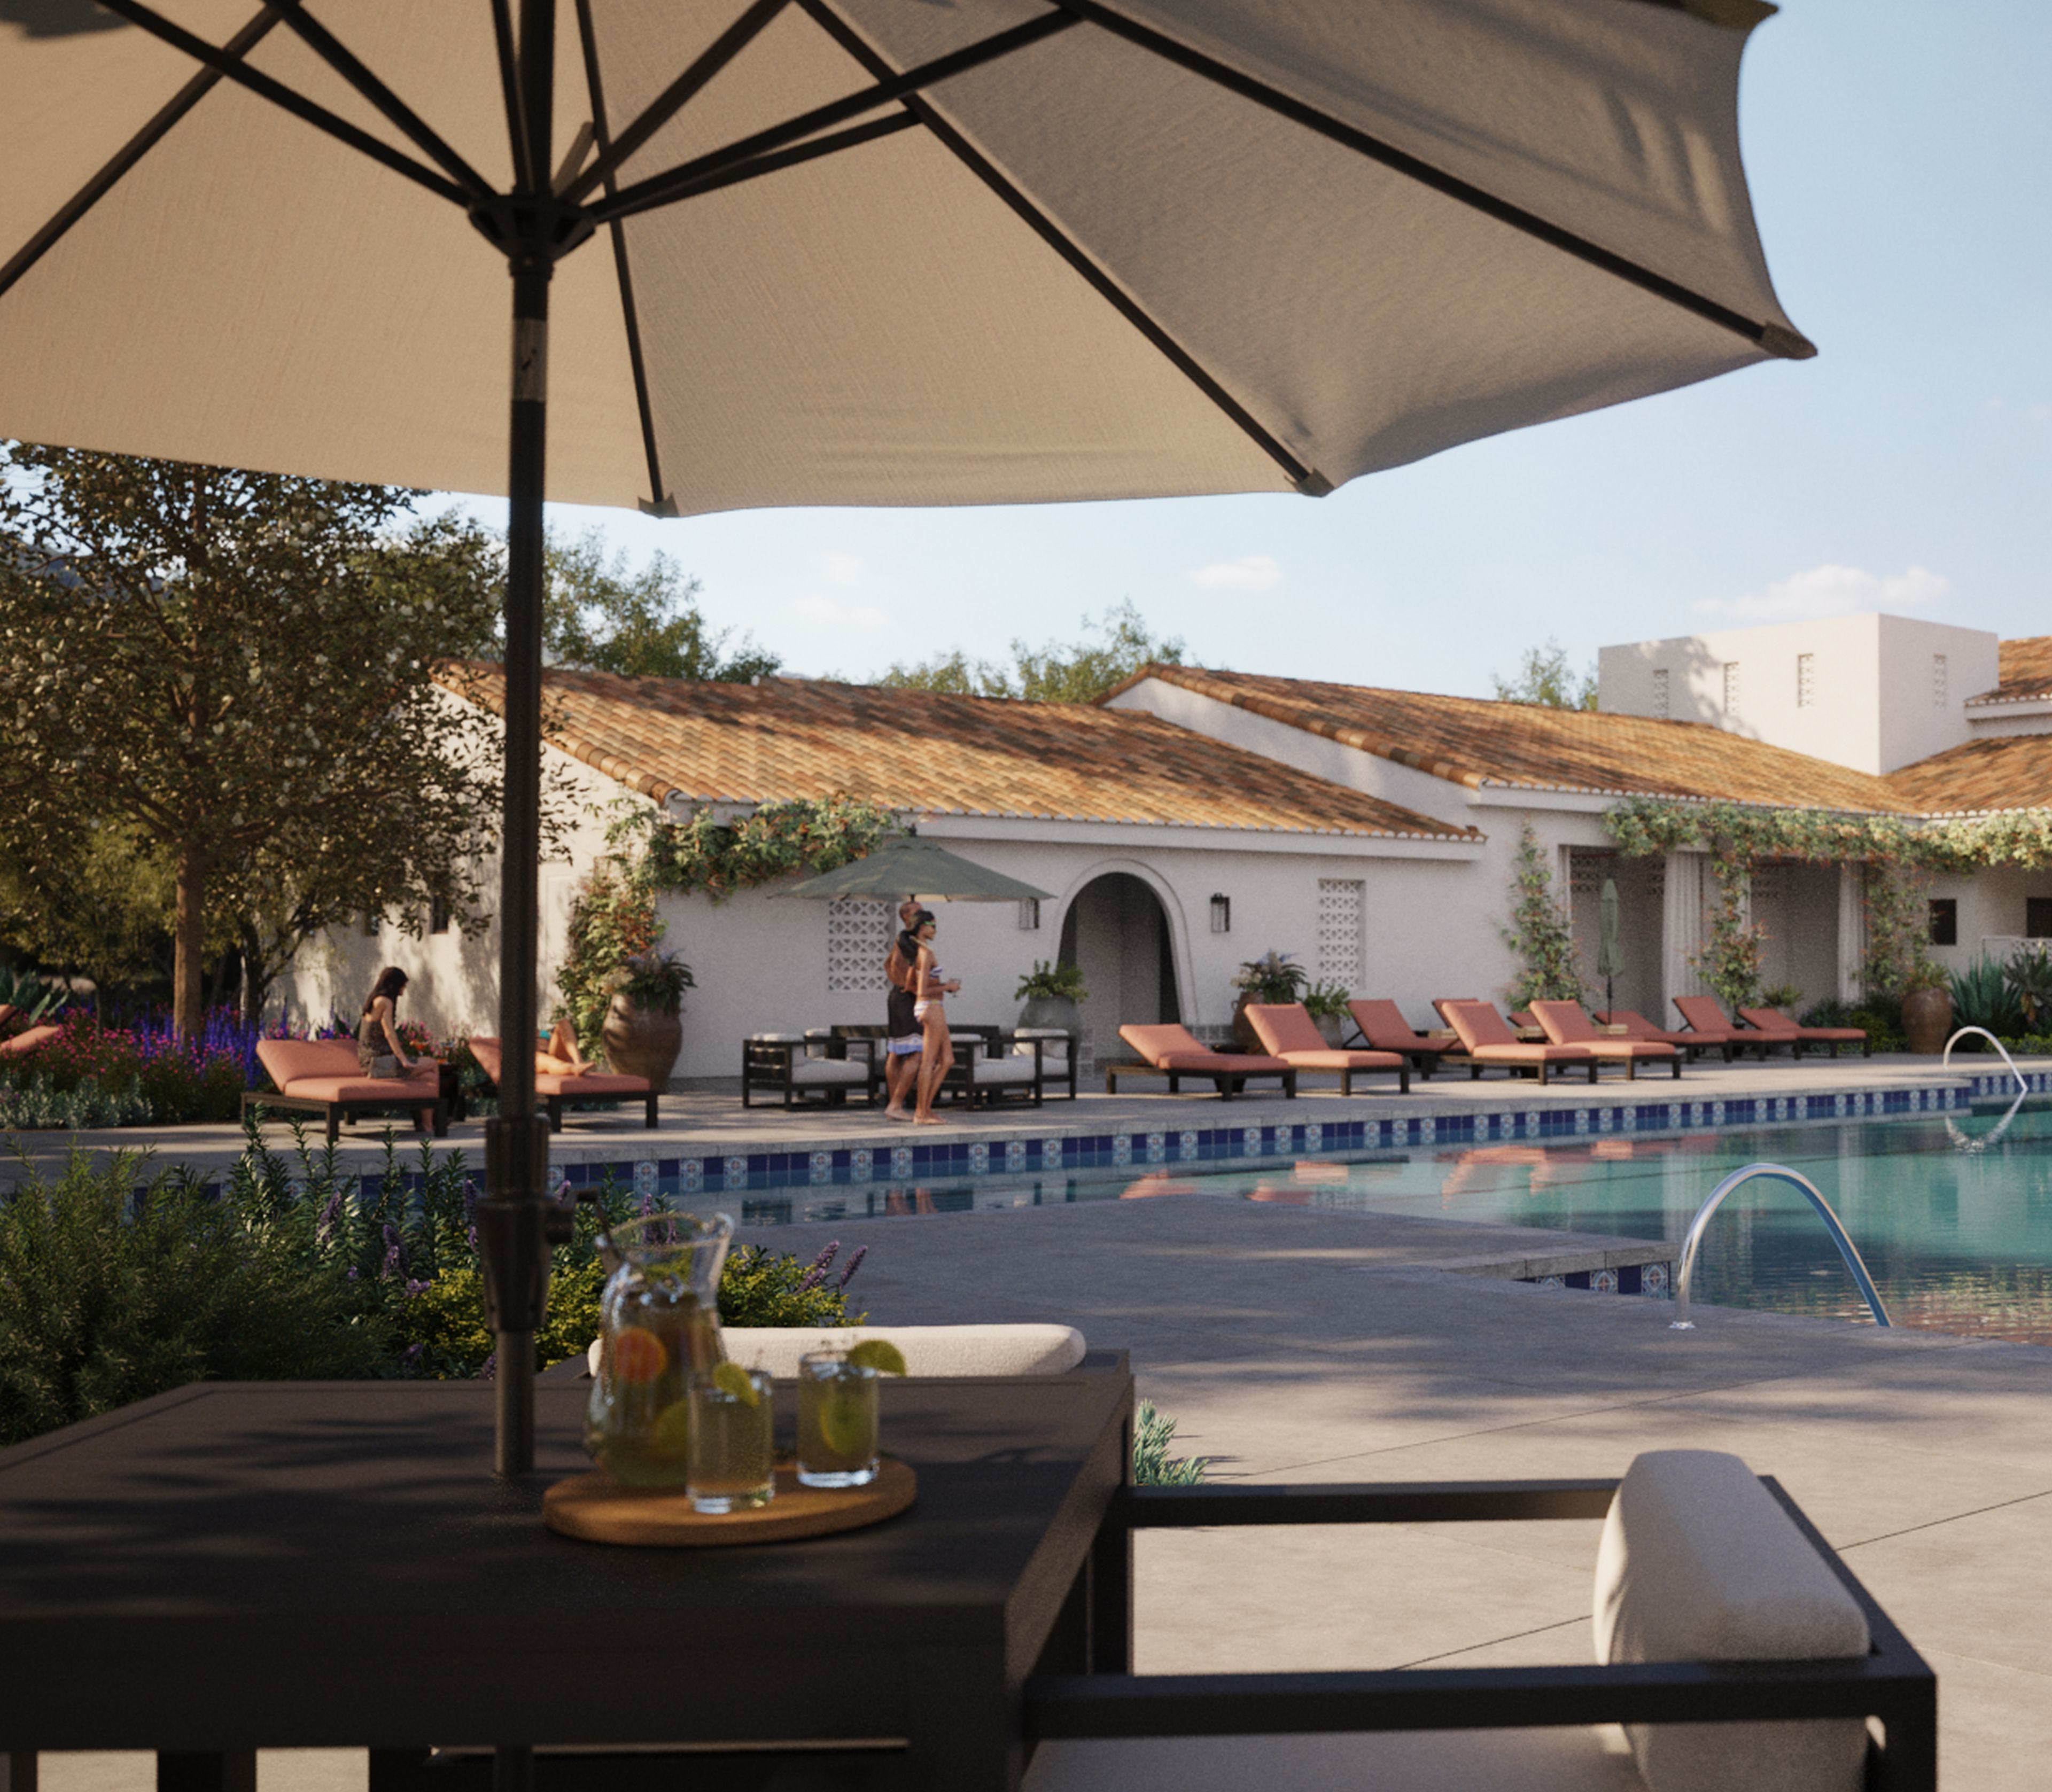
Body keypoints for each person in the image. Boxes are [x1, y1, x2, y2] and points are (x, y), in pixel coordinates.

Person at [906, 909, 960, 1126]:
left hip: (931, 1007)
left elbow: (909, 985)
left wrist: (938, 986)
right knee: (928, 1062)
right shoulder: (925, 954)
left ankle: (926, 1109)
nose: (935, 929)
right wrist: (948, 987)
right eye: (932, 925)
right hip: (931, 1007)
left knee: (948, 1060)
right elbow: (920, 991)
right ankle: (921, 1113)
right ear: (921, 927)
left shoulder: (919, 952)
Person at [881, 899, 923, 1119]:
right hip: (907, 998)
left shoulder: (902, 941)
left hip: (897, 995)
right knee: (916, 1052)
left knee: (896, 1052)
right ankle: (896, 1104)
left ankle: (894, 1105)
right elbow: (903, 972)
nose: (923, 916)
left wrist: (898, 981)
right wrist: (920, 988)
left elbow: (887, 964)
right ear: (906, 917)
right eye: (918, 913)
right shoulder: (909, 941)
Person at [359, 966, 423, 1078]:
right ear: (395, 985)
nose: (404, 987)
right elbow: (389, 1033)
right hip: (378, 1062)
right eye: (403, 985)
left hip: (368, 1061)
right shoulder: (385, 1002)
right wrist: (404, 1061)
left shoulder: (375, 1000)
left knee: (426, 1073)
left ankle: (406, 1092)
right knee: (432, 1065)